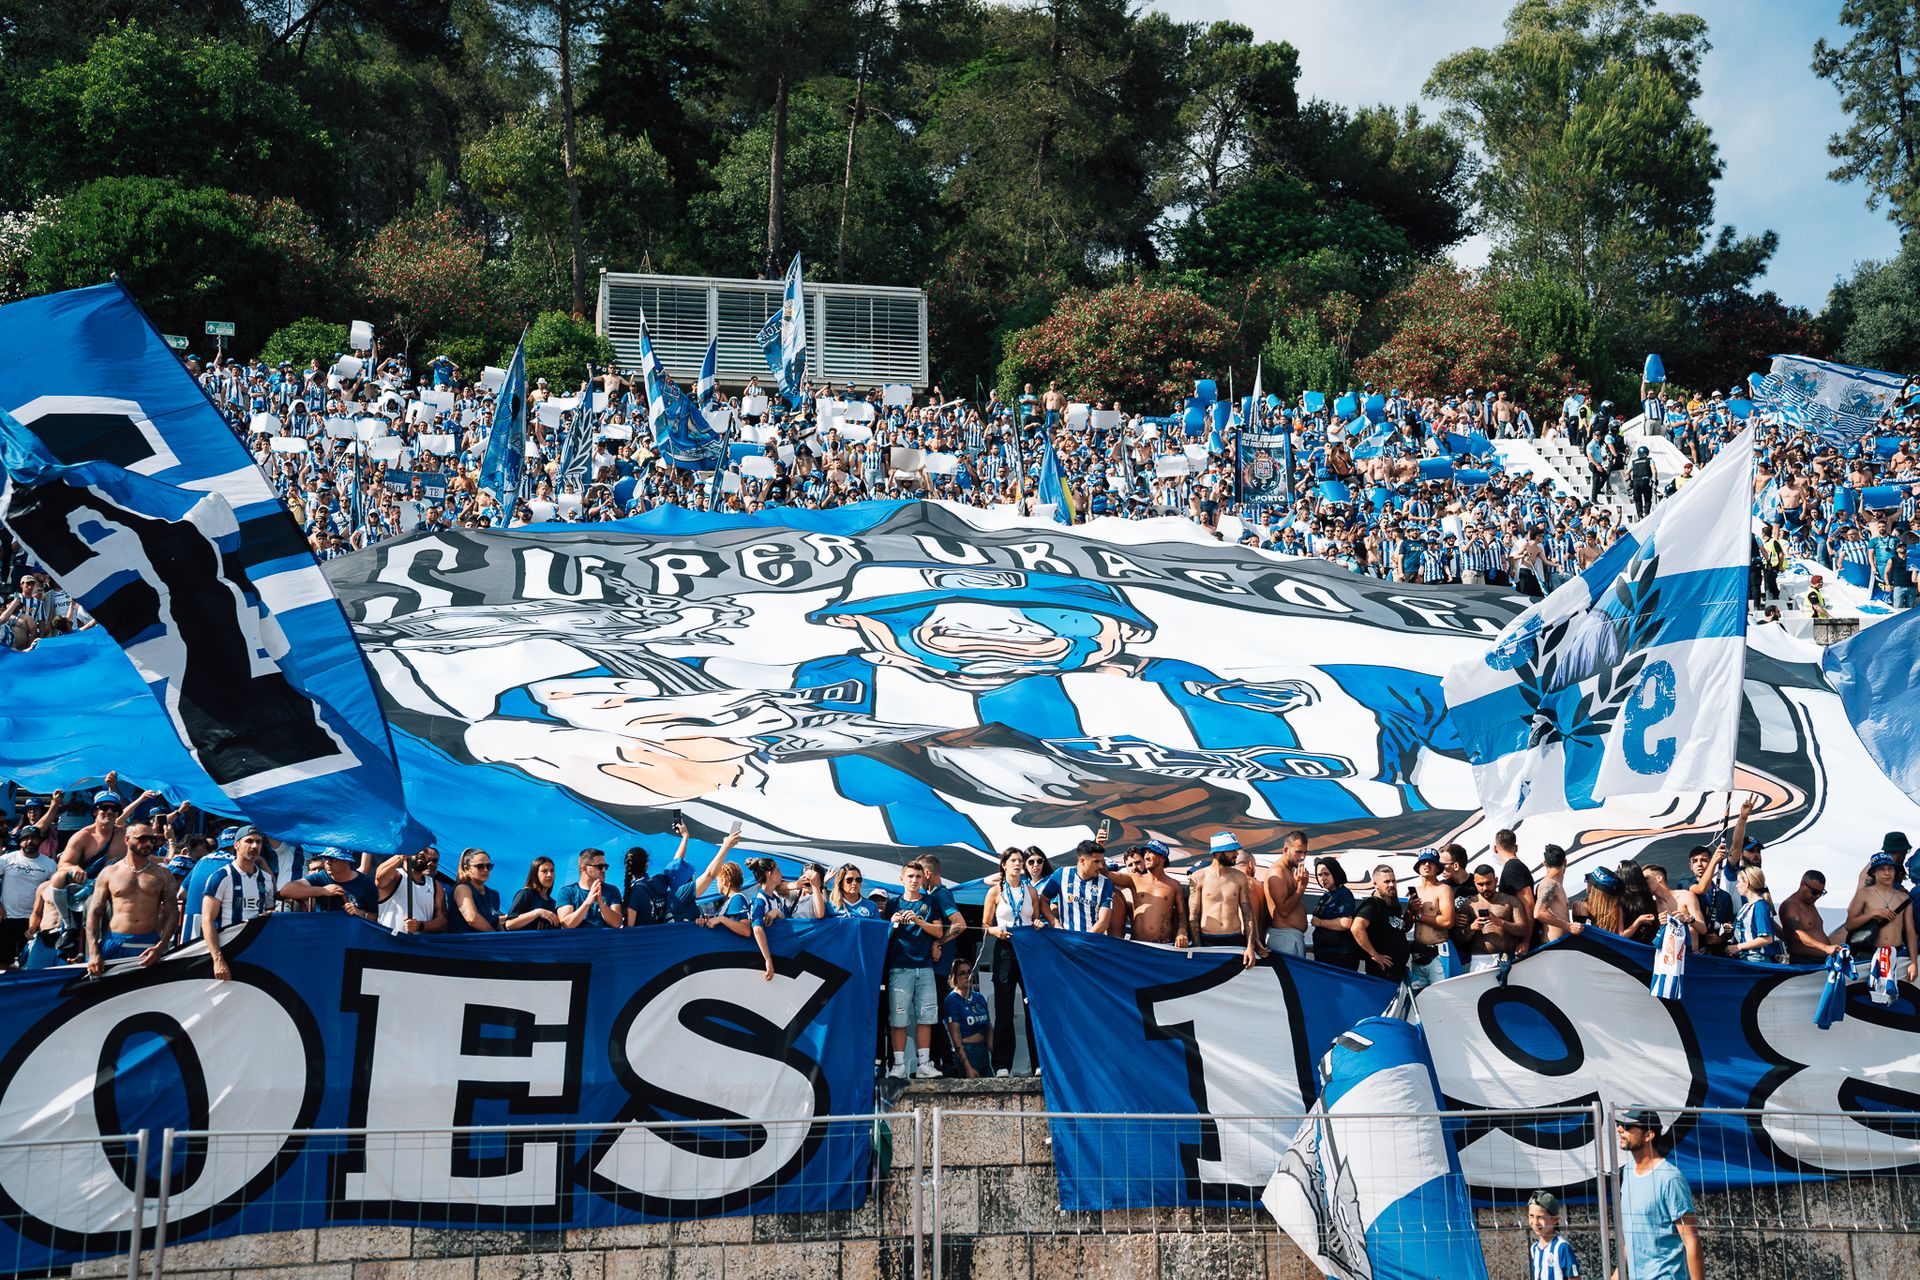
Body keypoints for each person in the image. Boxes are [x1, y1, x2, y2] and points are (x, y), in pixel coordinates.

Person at [1614, 1106, 1703, 1280]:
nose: (1620, 1129)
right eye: (1620, 1124)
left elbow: (1691, 1241)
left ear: (1649, 1135)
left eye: (1628, 1126)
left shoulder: (1670, 1178)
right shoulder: (1628, 1172)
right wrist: (1617, 1274)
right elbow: (1633, 1234)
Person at [980, 848, 1047, 1076]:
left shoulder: (1031, 891)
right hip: (1005, 948)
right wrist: (995, 931)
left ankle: (1038, 1062)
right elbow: (985, 924)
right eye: (1014, 861)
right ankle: (1002, 1065)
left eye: (1021, 861)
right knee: (1004, 1009)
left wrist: (1038, 924)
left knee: (1032, 1007)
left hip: (1028, 950)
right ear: (1004, 865)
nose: (1018, 864)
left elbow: (1036, 918)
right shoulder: (995, 892)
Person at [84, 822, 175, 975]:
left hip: (148, 945)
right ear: (127, 840)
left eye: (152, 839)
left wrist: (161, 946)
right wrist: (93, 952)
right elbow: (94, 913)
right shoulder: (109, 873)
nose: (148, 843)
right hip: (114, 942)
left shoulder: (163, 874)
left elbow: (172, 913)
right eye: (142, 839)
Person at [884, 858, 947, 1079]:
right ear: (901, 879)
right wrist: (892, 923)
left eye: (918, 877)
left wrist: (919, 921)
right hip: (899, 968)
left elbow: (939, 932)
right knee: (898, 1019)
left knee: (926, 1017)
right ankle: (899, 1064)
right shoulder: (892, 903)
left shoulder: (931, 902)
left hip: (925, 968)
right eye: (910, 876)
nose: (914, 880)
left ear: (923, 879)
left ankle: (924, 1064)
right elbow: (881, 937)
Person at [197, 825, 279, 981]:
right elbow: (207, 920)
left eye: (258, 842)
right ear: (236, 845)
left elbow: (270, 912)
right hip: (228, 950)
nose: (254, 846)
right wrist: (217, 959)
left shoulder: (266, 879)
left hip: (256, 949)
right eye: (249, 841)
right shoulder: (221, 877)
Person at [1183, 832, 1259, 968]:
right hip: (1207, 940)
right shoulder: (1198, 877)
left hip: (1235, 939)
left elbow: (1248, 914)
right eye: (1232, 850)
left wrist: (1250, 947)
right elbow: (1193, 916)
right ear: (1218, 853)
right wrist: (1197, 947)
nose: (1236, 853)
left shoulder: (1240, 877)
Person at [1843, 853, 1917, 978]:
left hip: (1896, 955)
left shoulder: (1904, 898)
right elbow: (1849, 925)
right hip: (1868, 955)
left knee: (1894, 995)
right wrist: (1873, 913)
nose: (1887, 873)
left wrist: (1914, 963)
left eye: (1890, 869)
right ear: (1874, 873)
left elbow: (1910, 932)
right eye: (1882, 869)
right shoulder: (1864, 894)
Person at [0, 823, 58, 965]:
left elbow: (53, 893)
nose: (30, 841)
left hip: (33, 920)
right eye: (26, 838)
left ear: (41, 841)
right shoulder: (6, 859)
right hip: (7, 917)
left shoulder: (50, 864)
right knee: (2, 959)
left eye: (34, 838)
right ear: (20, 841)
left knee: (26, 961)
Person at [1110, 840, 1186, 944]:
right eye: (1145, 853)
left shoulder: (1174, 885)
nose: (1146, 856)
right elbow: (1107, 875)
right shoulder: (1134, 880)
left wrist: (1182, 931)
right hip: (1138, 945)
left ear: (1162, 858)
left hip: (1164, 944)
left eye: (1150, 852)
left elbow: (1182, 914)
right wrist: (1098, 846)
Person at [1038, 840, 1118, 935]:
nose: (1100, 866)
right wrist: (1055, 923)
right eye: (1096, 861)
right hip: (1065, 940)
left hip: (1090, 942)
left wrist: (1082, 939)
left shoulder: (1106, 883)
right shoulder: (1062, 874)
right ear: (1082, 861)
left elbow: (1103, 922)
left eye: (1102, 861)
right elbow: (1043, 900)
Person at [1350, 864, 1411, 982]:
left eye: (1393, 881)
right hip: (1381, 972)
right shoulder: (1372, 905)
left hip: (1397, 971)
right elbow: (1356, 928)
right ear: (1375, 884)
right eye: (1387, 882)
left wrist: (1410, 911)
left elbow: (1402, 928)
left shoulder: (1394, 905)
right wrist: (1374, 954)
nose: (1392, 885)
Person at [1463, 864, 1529, 972]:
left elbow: (1523, 930)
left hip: (1509, 957)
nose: (1485, 888)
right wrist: (1472, 928)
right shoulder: (1468, 905)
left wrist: (1501, 922)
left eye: (1488, 883)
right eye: (1480, 884)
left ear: (1496, 880)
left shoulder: (1511, 901)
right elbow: (1459, 938)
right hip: (1481, 961)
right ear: (1474, 883)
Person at [1406, 851, 1456, 990]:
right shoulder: (1414, 891)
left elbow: (1447, 922)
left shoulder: (1444, 889)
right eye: (1423, 862)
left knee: (1443, 996)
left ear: (1438, 868)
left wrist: (1420, 917)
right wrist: (1410, 911)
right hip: (1417, 956)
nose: (1427, 865)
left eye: (1431, 862)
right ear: (1418, 867)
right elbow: (1406, 926)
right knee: (1418, 999)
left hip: (1437, 955)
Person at [279, 848, 379, 916]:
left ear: (346, 861)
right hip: (326, 934)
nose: (327, 862)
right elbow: (285, 891)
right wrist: (323, 890)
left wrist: (360, 913)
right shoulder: (321, 877)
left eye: (332, 859)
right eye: (325, 858)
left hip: (355, 937)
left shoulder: (366, 883)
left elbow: (377, 915)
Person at [373, 845, 446, 935]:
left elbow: (442, 921)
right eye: (418, 850)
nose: (422, 853)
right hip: (389, 943)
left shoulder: (435, 885)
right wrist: (401, 855)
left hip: (416, 946)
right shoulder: (396, 876)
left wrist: (420, 926)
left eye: (426, 852)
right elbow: (379, 878)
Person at [942, 956, 992, 1079]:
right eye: (962, 973)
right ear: (954, 977)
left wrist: (995, 1057)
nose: (967, 976)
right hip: (967, 1052)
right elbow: (955, 1037)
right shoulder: (952, 1000)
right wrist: (968, 1067)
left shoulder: (979, 998)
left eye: (969, 972)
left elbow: (989, 1027)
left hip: (983, 1051)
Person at [1262, 830, 1310, 958]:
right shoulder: (1277, 872)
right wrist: (1301, 887)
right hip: (1284, 938)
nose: (1302, 857)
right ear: (1285, 850)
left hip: (1291, 937)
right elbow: (1283, 911)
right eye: (1298, 852)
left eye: (1305, 852)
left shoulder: (1290, 871)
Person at [1310, 857, 1362, 970]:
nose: (1323, 878)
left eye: (1326, 874)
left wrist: (1319, 922)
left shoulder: (1344, 894)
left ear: (1335, 873)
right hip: (1324, 956)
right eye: (1319, 875)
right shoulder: (1326, 895)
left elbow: (1345, 923)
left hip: (1340, 957)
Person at [1778, 870, 1840, 964]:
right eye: (1814, 892)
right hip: (1805, 962)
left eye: (1821, 893)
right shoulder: (1791, 905)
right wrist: (1825, 948)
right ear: (1802, 884)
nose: (1817, 896)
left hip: (1821, 961)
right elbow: (1796, 934)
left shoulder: (1810, 904)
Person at [556, 847, 624, 928]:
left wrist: (602, 905)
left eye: (605, 866)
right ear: (584, 868)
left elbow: (617, 923)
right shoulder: (567, 892)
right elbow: (567, 924)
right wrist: (587, 903)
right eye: (600, 866)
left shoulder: (612, 890)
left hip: (605, 940)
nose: (604, 870)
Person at [1729, 866, 1783, 964]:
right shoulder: (1746, 906)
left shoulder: (1760, 906)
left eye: (1739, 882)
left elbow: (1767, 938)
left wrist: (1738, 947)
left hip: (1756, 959)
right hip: (1746, 959)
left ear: (1747, 883)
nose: (1737, 886)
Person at [1532, 845, 1583, 943]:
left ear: (1544, 863)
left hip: (1560, 945)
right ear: (1565, 862)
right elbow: (1538, 913)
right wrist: (1568, 926)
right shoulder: (1550, 884)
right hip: (1553, 946)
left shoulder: (1556, 884)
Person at [1527, 1189, 1580, 1279]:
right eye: (1531, 1216)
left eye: (1540, 1217)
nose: (1535, 1222)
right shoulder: (1534, 1249)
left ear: (1555, 1220)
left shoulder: (1562, 1247)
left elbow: (1574, 1278)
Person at [447, 848, 502, 932]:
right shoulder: (462, 889)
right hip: (466, 943)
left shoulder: (494, 894)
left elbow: (496, 923)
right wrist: (495, 937)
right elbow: (472, 918)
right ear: (467, 869)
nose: (485, 870)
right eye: (480, 866)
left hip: (488, 943)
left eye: (488, 866)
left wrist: (504, 939)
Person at [505, 856, 562, 929]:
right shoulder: (525, 894)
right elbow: (509, 924)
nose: (549, 875)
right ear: (535, 874)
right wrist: (537, 913)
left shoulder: (553, 903)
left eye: (552, 871)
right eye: (544, 871)